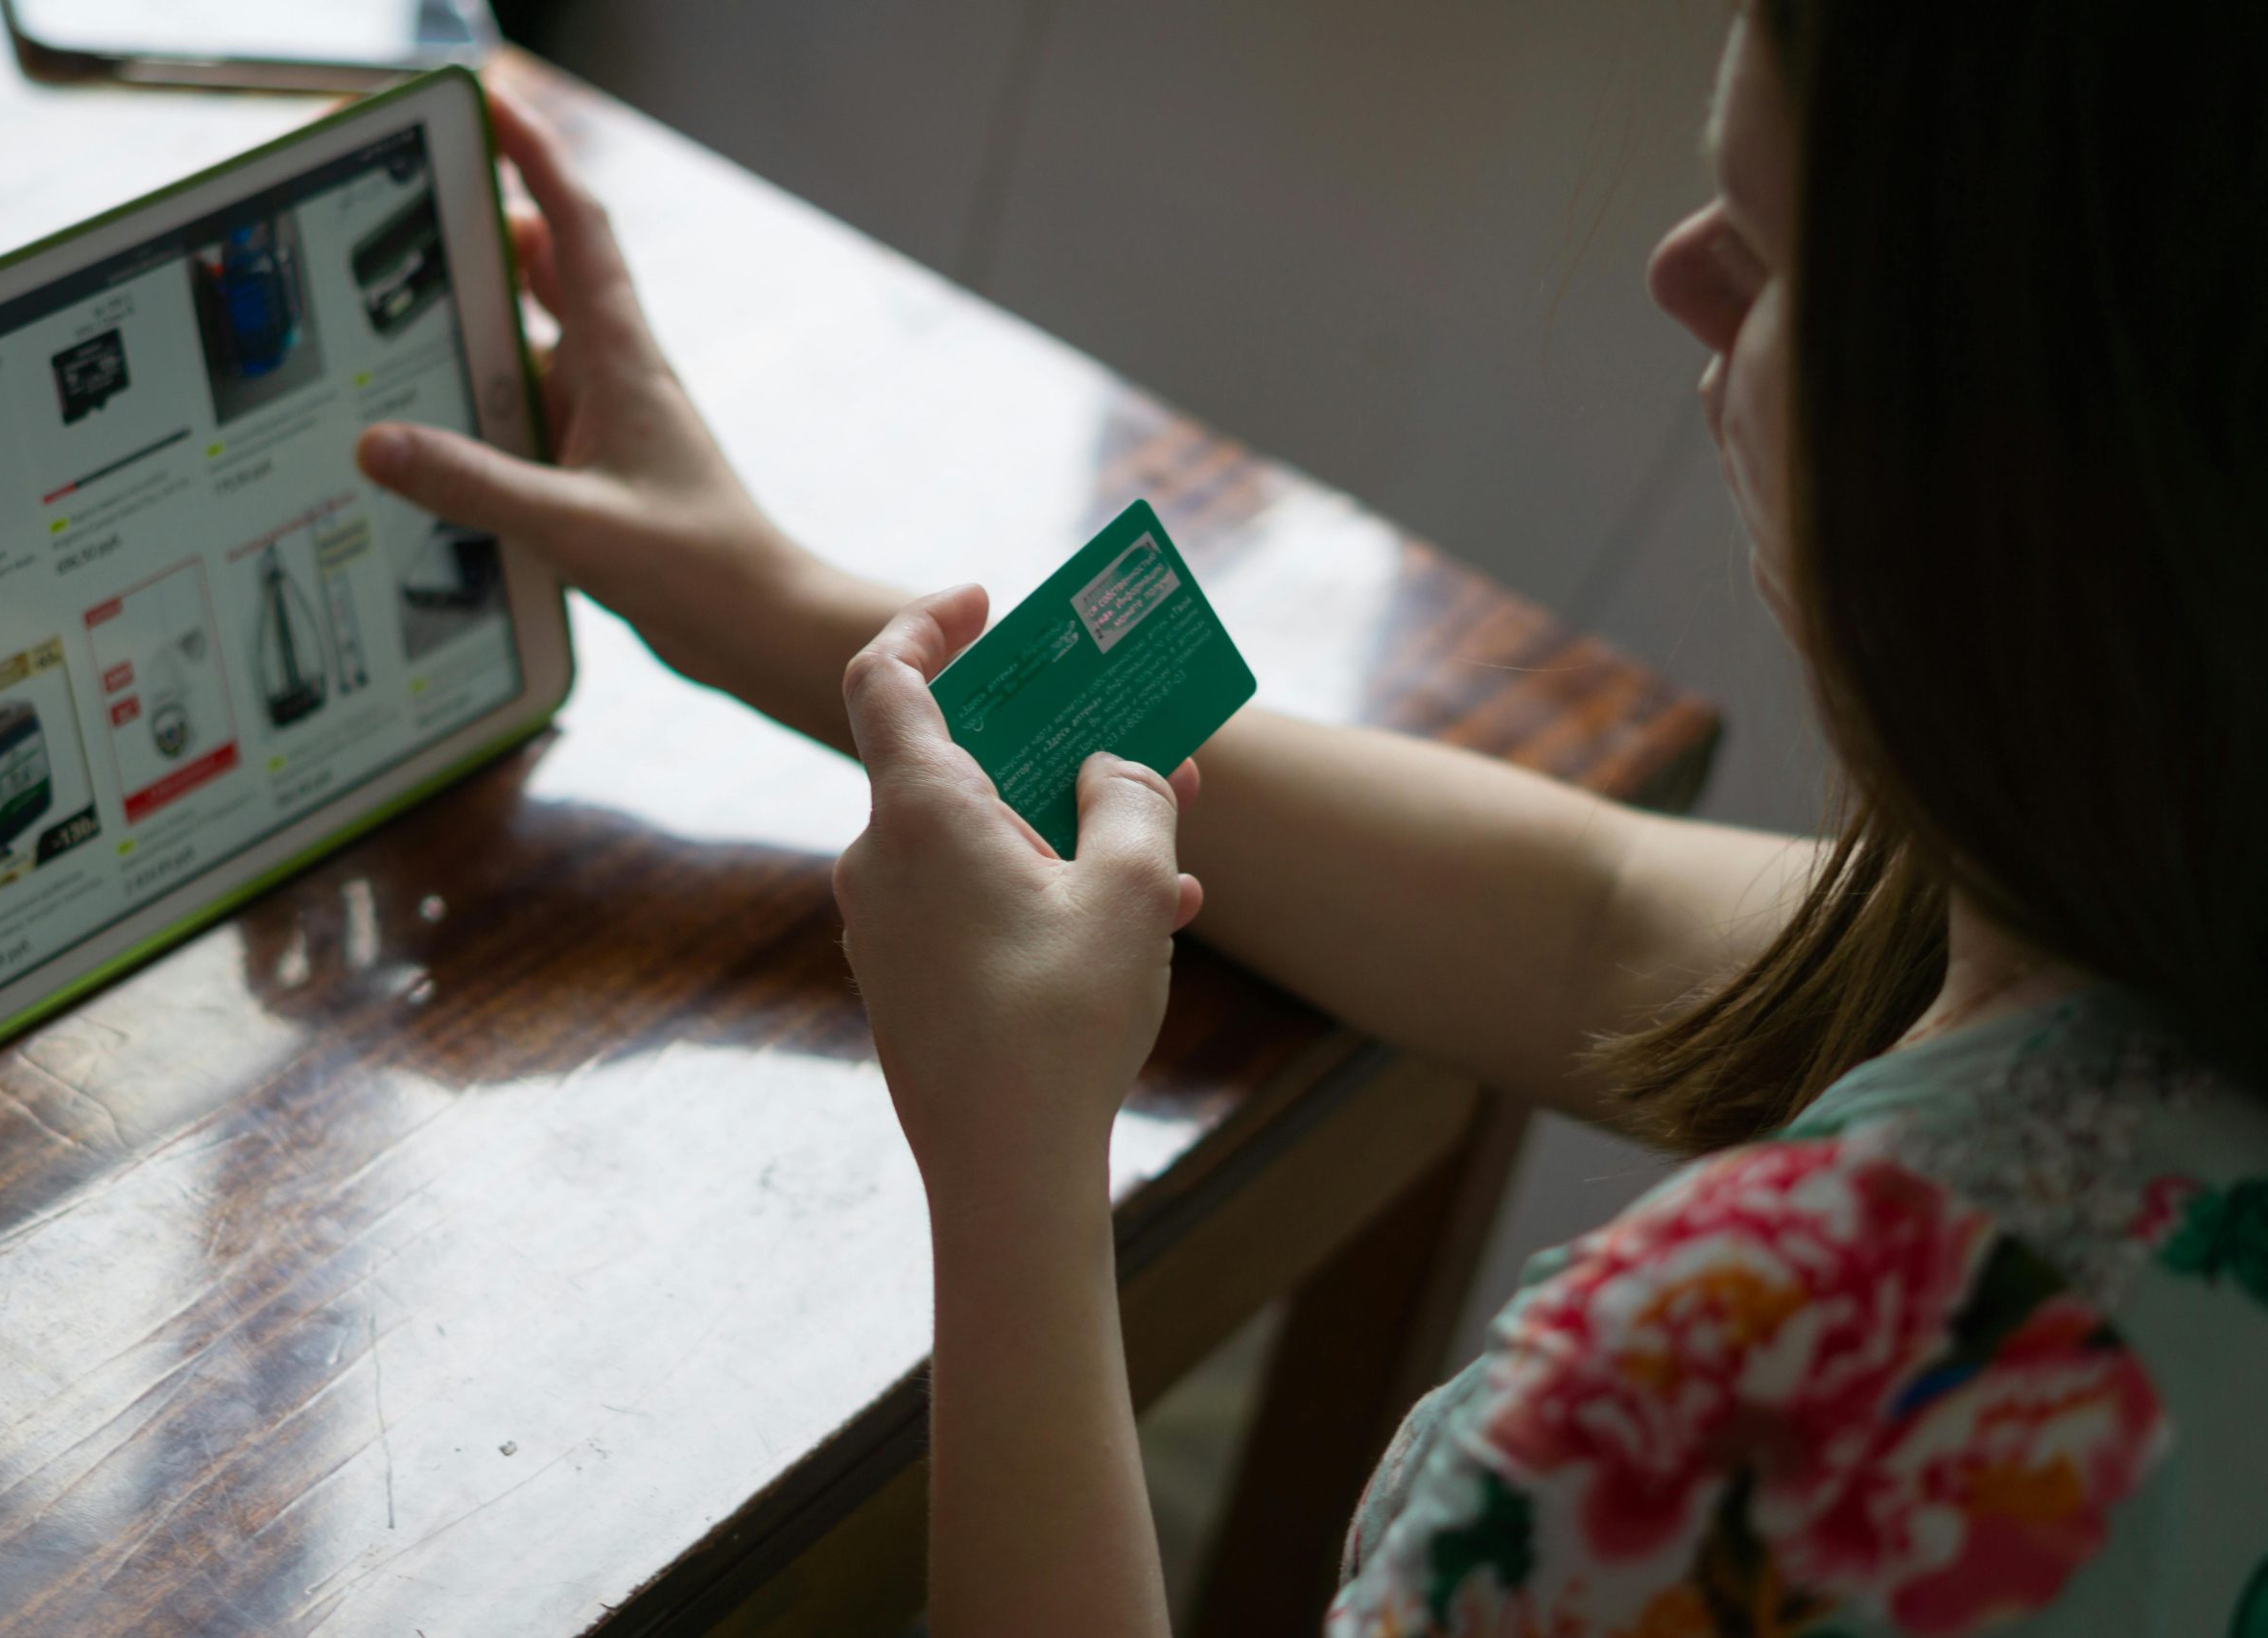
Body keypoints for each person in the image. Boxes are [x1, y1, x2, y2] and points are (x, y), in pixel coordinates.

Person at [356, 4, 2268, 1632]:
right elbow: (1596, 917)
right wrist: (788, 610)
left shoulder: (1773, 1403)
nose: (1676, 272)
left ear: (2047, 473)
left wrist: (1014, 1151)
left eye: (1775, 261)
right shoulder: (2150, 940)